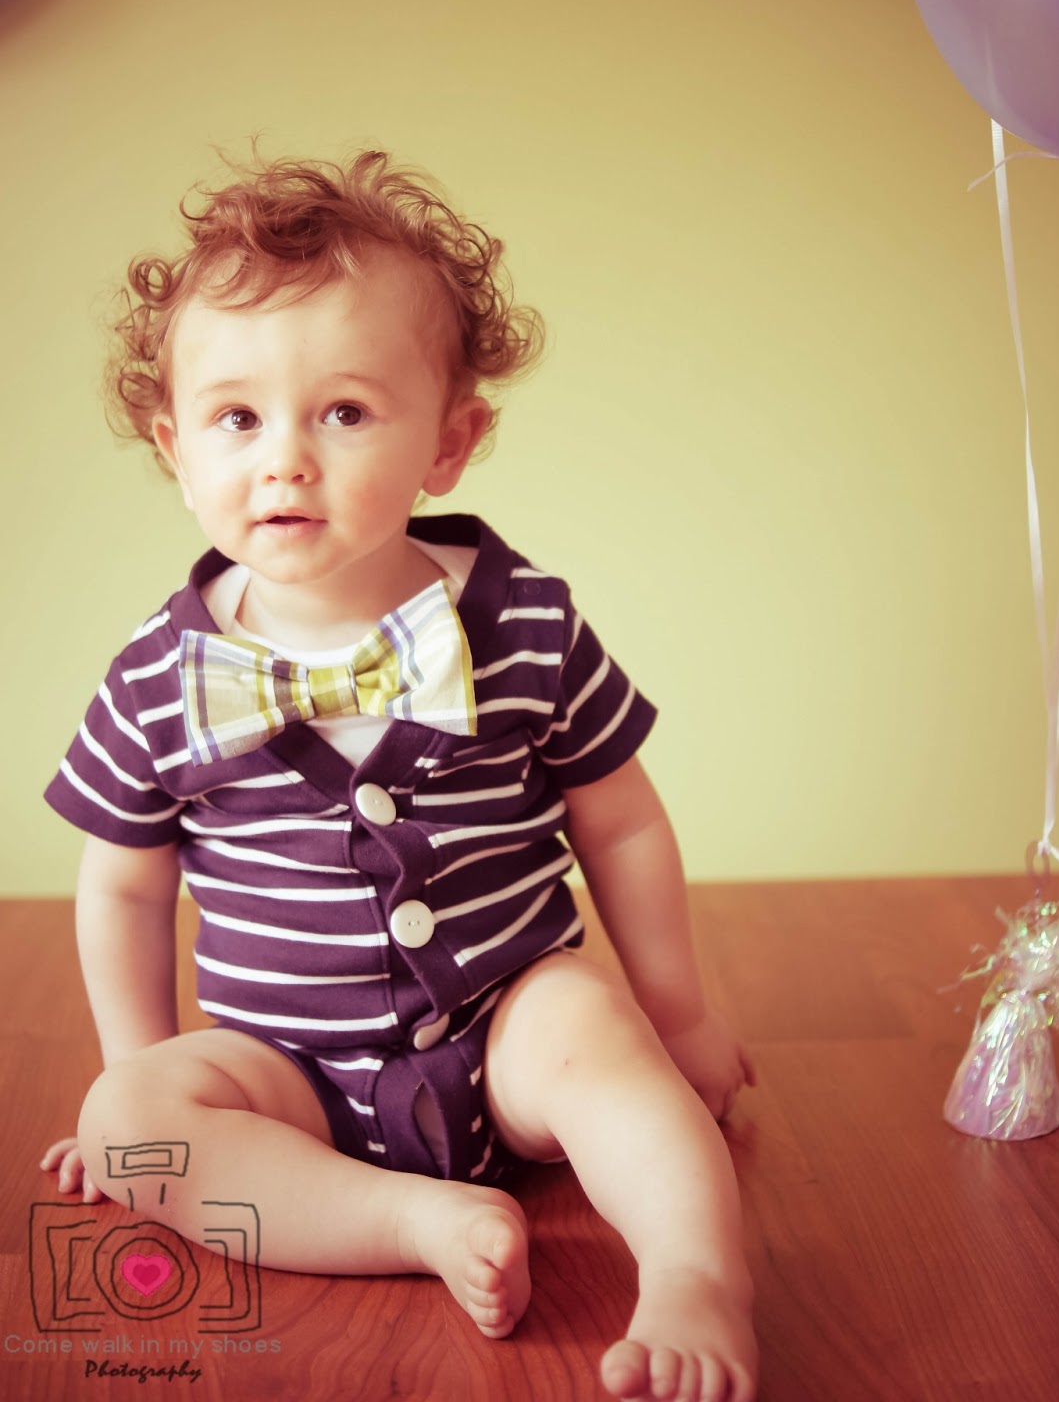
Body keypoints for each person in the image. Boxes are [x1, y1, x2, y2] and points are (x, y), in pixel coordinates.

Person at [41, 152, 757, 1402]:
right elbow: (122, 889)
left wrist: (677, 1011)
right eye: (237, 418)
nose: (285, 459)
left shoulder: (522, 623)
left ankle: (697, 1273)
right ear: (175, 448)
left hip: (507, 1028)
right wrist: (139, 1068)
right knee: (129, 1125)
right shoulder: (160, 677)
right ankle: (406, 1221)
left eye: (344, 412)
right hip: (284, 1075)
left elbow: (623, 825)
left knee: (596, 1030)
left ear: (450, 441)